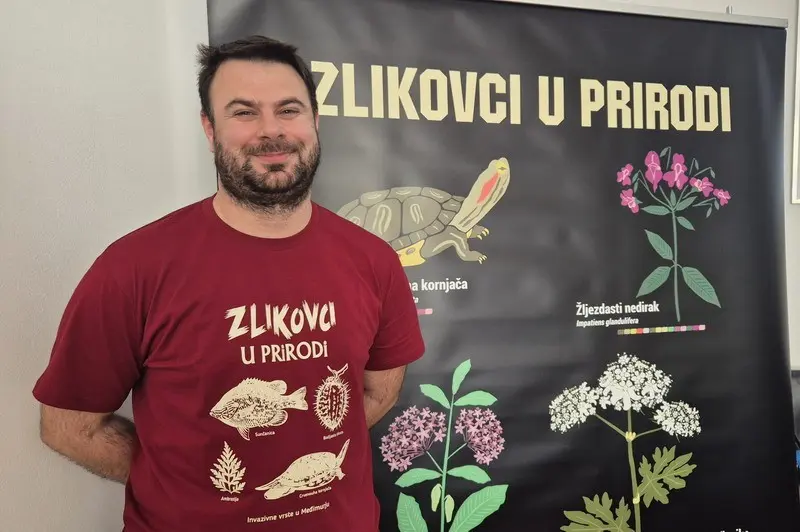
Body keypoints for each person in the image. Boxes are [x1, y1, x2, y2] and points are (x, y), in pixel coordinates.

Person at [32, 35, 425, 532]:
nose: (271, 130)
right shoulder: (133, 268)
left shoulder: (374, 260)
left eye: (289, 110)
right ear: (209, 129)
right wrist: (177, 480)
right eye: (244, 112)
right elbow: (70, 428)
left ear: (315, 121)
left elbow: (376, 393)